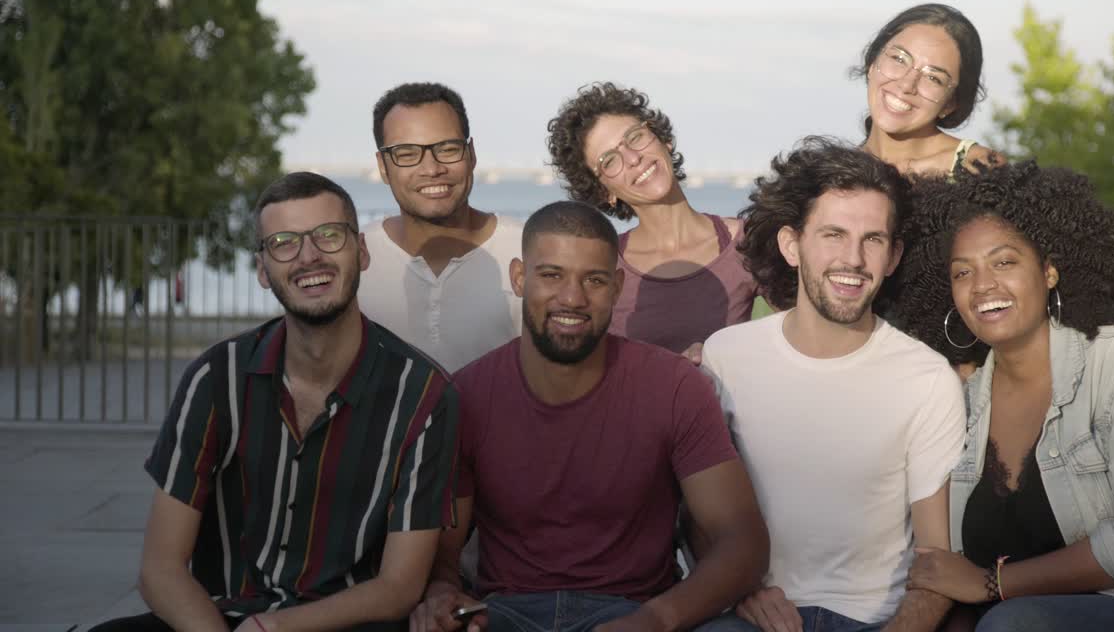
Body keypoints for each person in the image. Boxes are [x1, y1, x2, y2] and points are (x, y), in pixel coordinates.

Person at [890, 162, 1114, 632]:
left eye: (1005, 262)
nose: (983, 285)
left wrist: (994, 583)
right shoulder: (959, 400)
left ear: (1048, 271)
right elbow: (944, 565)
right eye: (963, 273)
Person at [90, 172, 459, 632]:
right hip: (221, 619)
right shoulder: (215, 378)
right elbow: (160, 569)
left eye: (328, 235)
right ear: (263, 270)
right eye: (284, 242)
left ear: (361, 252)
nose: (309, 256)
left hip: (350, 622)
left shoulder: (423, 393)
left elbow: (399, 587)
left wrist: (275, 628)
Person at [410, 201, 768, 632]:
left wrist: (656, 619)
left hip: (637, 609)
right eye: (552, 275)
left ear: (617, 287)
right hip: (506, 614)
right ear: (519, 278)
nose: (572, 298)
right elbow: (444, 557)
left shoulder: (673, 385)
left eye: (594, 280)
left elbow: (742, 542)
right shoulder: (466, 395)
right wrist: (441, 594)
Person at [701, 138, 965, 632]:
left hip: (875, 620)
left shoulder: (927, 379)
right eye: (833, 235)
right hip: (752, 617)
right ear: (791, 245)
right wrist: (740, 589)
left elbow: (935, 563)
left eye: (873, 239)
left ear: (893, 256)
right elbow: (697, 518)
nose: (854, 259)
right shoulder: (726, 358)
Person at [545, 82, 758, 363]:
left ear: (662, 139)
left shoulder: (747, 242)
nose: (633, 158)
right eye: (610, 160)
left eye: (635, 137)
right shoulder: (602, 269)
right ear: (603, 191)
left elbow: (798, 342)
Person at [360, 82, 522, 372]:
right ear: (383, 166)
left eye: (447, 149)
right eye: (407, 154)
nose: (432, 168)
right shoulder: (356, 260)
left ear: (471, 154)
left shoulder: (528, 251)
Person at [851, 3, 1003, 178]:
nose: (907, 84)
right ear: (872, 63)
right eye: (899, 59)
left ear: (951, 103)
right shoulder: (825, 176)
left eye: (933, 78)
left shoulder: (976, 168)